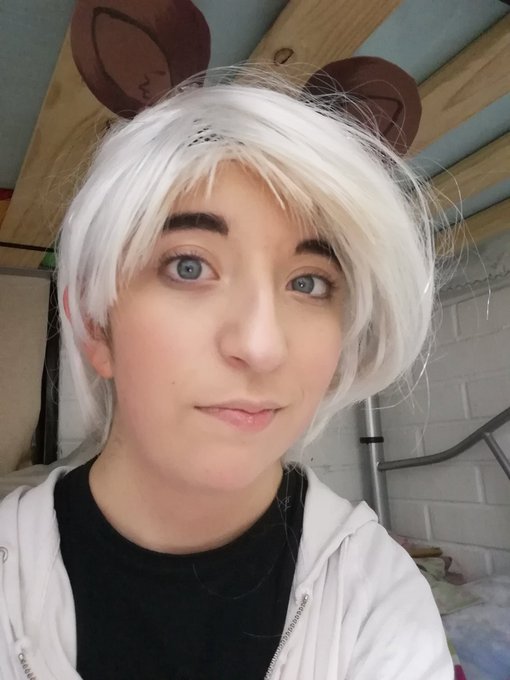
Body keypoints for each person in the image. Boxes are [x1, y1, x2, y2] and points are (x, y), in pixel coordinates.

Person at [0, 67, 454, 679]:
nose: (262, 346)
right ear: (92, 324)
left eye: (309, 282)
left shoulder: (379, 598)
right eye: (189, 266)